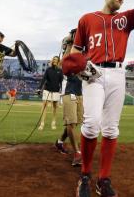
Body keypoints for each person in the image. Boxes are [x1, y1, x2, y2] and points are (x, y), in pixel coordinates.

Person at [69, 0, 134, 197]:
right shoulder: (87, 19)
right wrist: (77, 65)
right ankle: (85, 175)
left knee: (111, 129)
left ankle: (103, 180)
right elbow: (76, 51)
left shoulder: (124, 20)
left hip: (117, 73)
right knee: (92, 124)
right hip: (93, 74)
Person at [55, 29, 83, 167]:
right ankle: (77, 152)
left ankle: (60, 142)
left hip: (80, 91)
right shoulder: (70, 47)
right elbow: (62, 65)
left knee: (75, 122)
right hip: (69, 90)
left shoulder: (83, 49)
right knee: (71, 123)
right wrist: (69, 43)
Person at [37, 56, 63, 130]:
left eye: (56, 60)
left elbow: (61, 82)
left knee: (55, 107)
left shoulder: (60, 70)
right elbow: (43, 79)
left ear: (58, 62)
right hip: (47, 90)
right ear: (52, 60)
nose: (55, 61)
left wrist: (62, 90)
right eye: (54, 59)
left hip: (56, 91)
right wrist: (39, 88)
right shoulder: (48, 69)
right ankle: (42, 123)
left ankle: (53, 122)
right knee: (44, 105)